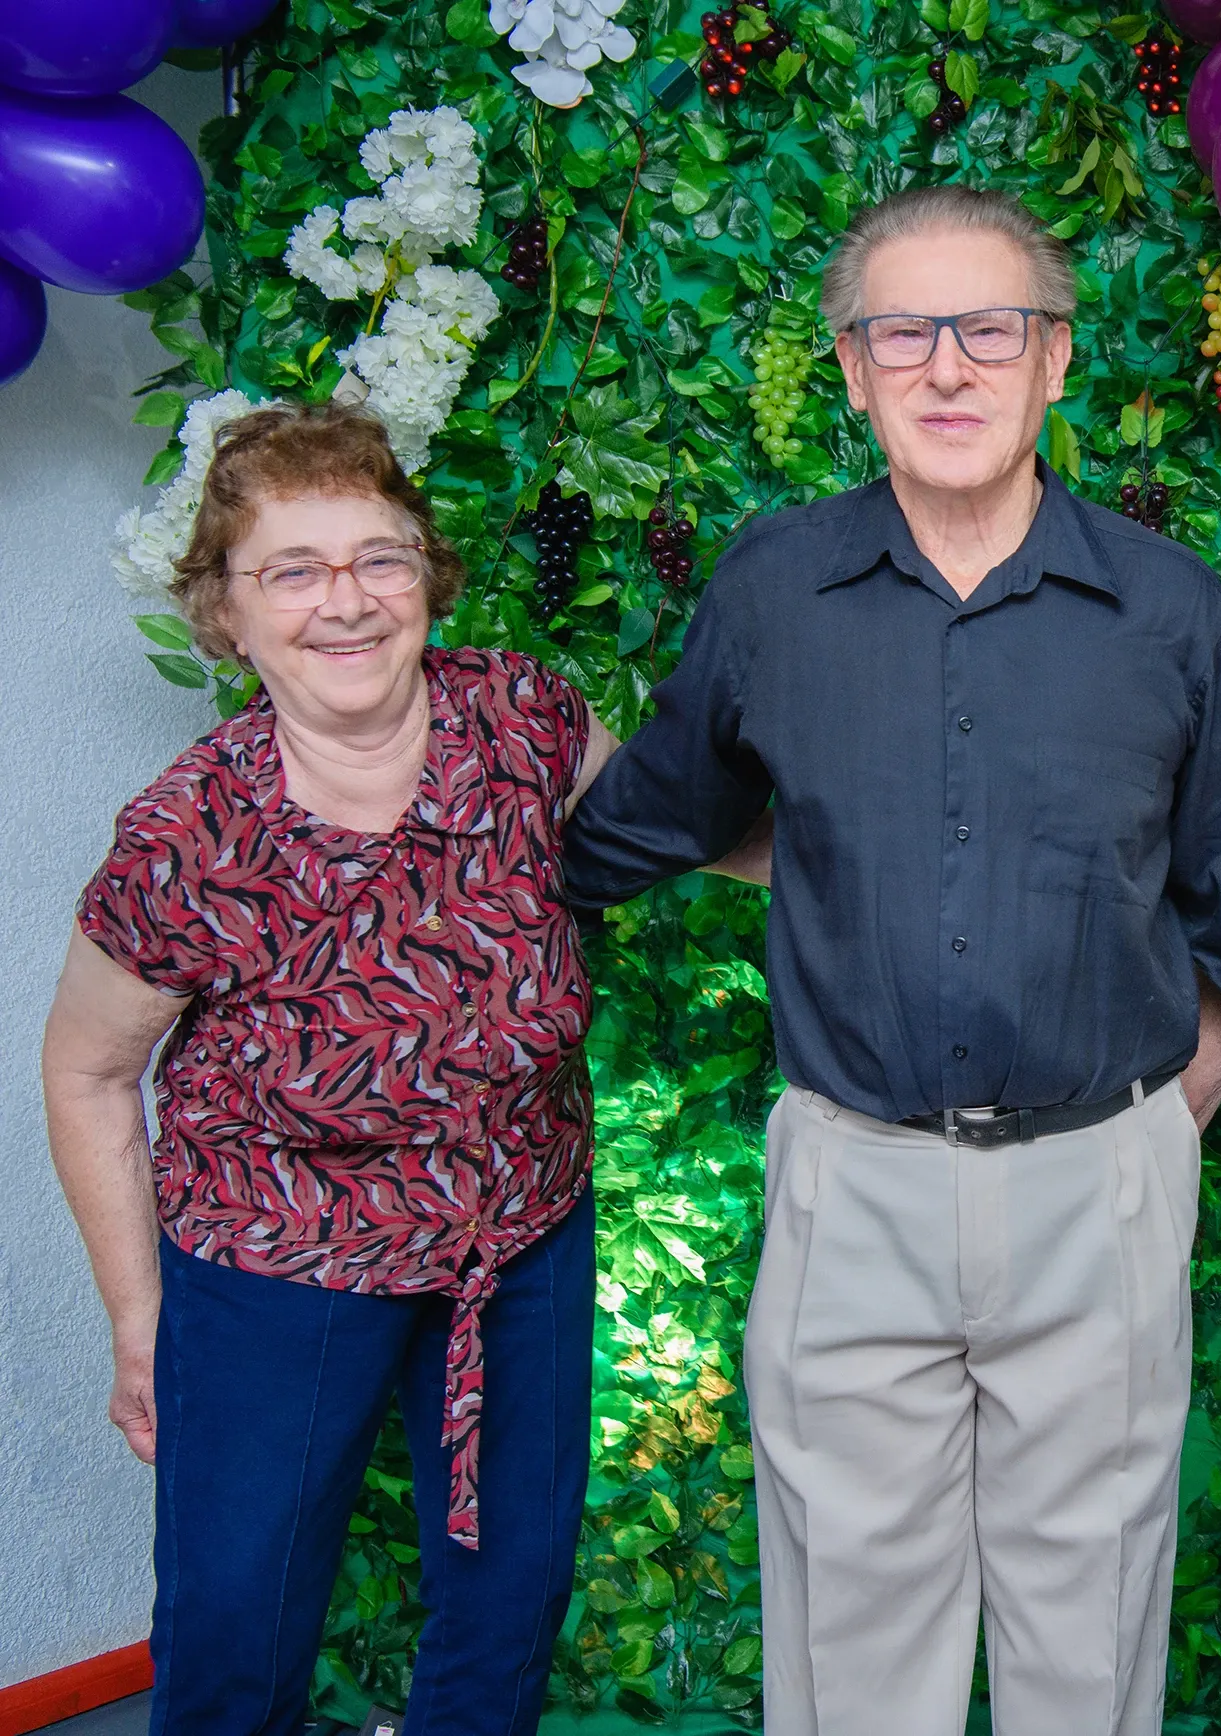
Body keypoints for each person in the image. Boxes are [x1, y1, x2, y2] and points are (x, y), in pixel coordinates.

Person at [561, 184, 1221, 1736]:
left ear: (1055, 361)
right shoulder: (773, 592)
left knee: (1087, 1644)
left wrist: (1179, 1112)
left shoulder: (1168, 611)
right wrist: (415, 787)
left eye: (989, 328)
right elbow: (639, 826)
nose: (946, 367)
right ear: (851, 369)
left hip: (1100, 1178)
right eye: (903, 332)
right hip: (855, 1187)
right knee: (848, 1648)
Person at [39, 402, 646, 1733]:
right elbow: (84, 1073)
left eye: (378, 559)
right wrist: (145, 1326)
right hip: (273, 1273)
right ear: (228, 617)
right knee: (237, 1628)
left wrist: (896, 845)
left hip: (516, 1237)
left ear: (426, 574)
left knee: (508, 1601)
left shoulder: (521, 720)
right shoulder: (189, 836)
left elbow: (672, 830)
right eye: (292, 572)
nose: (346, 604)